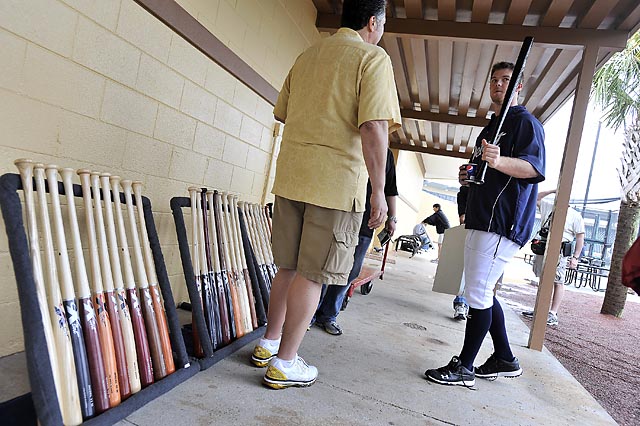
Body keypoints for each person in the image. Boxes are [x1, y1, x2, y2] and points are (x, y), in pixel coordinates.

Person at [250, 0, 401, 390]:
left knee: (287, 267)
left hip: (290, 178)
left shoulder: (307, 55)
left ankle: (269, 342)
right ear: (373, 22)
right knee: (313, 275)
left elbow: (282, 112)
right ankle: (285, 362)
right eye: (383, 22)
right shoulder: (373, 59)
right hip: (334, 185)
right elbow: (373, 127)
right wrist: (379, 192)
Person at [424, 61, 545, 387]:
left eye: (506, 80)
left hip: (501, 221)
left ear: (518, 86)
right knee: (484, 291)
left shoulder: (526, 124)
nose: (498, 85)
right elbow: (483, 170)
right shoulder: (491, 128)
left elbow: (533, 169)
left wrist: (498, 160)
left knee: (477, 291)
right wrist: (469, 175)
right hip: (482, 216)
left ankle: (465, 367)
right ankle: (504, 358)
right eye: (494, 80)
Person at [313, 149, 398, 335]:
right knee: (326, 265)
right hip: (338, 215)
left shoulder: (387, 154)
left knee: (351, 271)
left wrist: (392, 218)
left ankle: (328, 315)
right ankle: (310, 313)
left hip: (366, 222)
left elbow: (390, 190)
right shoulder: (350, 139)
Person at [522, 190, 585, 326]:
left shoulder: (575, 216)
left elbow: (580, 237)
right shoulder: (548, 206)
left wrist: (575, 257)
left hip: (560, 250)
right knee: (543, 278)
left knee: (558, 281)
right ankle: (540, 309)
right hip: (544, 246)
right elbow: (534, 198)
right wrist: (552, 190)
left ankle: (552, 313)